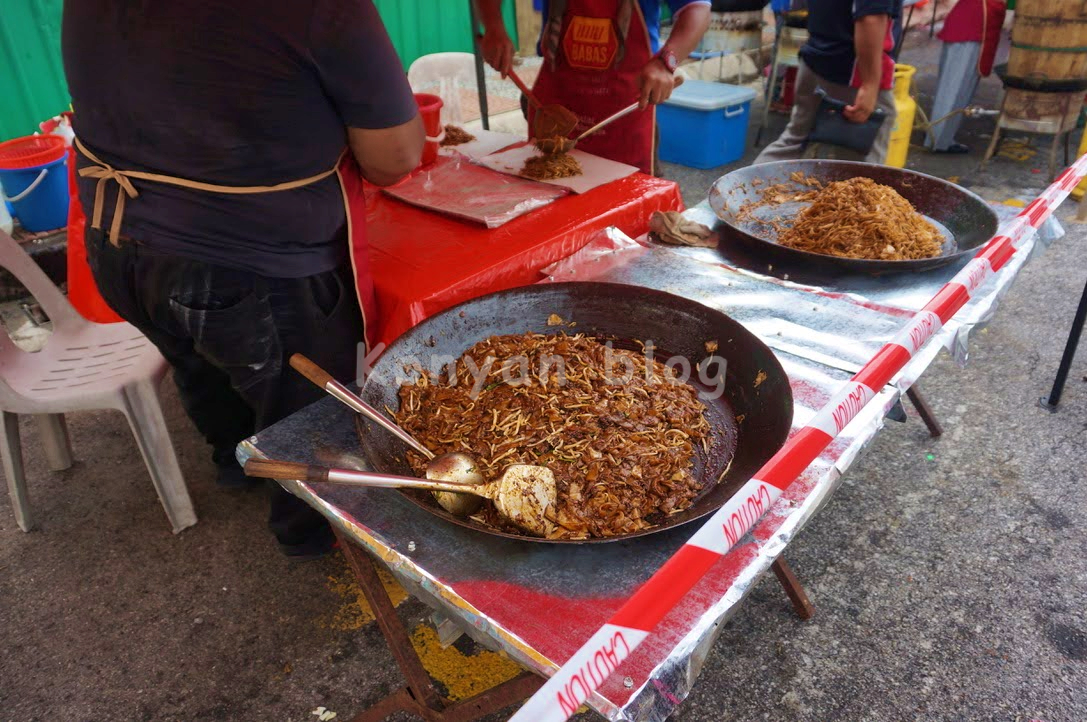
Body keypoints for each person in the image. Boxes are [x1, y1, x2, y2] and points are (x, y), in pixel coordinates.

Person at [62, 0, 424, 559]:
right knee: (300, 402)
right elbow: (394, 155)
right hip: (248, 262)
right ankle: (308, 532)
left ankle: (233, 463)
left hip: (116, 240)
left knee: (194, 353)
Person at [476, 0, 712, 174]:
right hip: (557, 100)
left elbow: (697, 8)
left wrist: (666, 62)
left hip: (624, 107)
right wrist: (494, 28)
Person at [754, 0, 899, 164]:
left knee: (792, 143)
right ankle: (744, 186)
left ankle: (744, 186)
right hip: (853, 72)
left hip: (816, 57)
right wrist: (870, 85)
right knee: (863, 166)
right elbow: (870, 18)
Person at [926, 0, 1006, 153]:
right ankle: (939, 140)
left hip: (973, 17)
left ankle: (937, 136)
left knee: (952, 88)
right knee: (954, 90)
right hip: (973, 21)